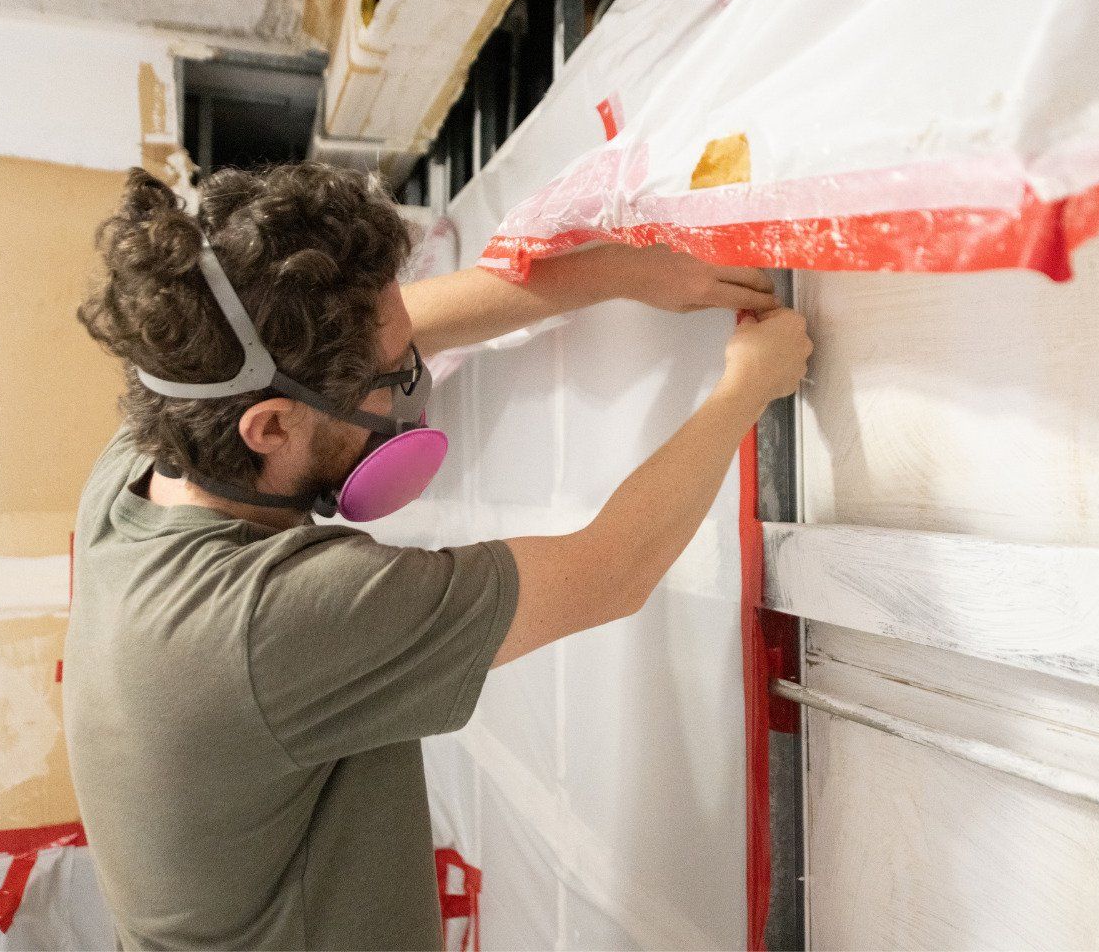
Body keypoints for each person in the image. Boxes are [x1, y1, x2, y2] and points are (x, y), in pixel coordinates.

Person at [65, 162, 812, 950]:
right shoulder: (270, 622)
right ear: (273, 428)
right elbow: (610, 573)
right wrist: (747, 387)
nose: (411, 389)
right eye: (390, 382)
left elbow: (393, 326)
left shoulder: (148, 461)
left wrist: (617, 271)